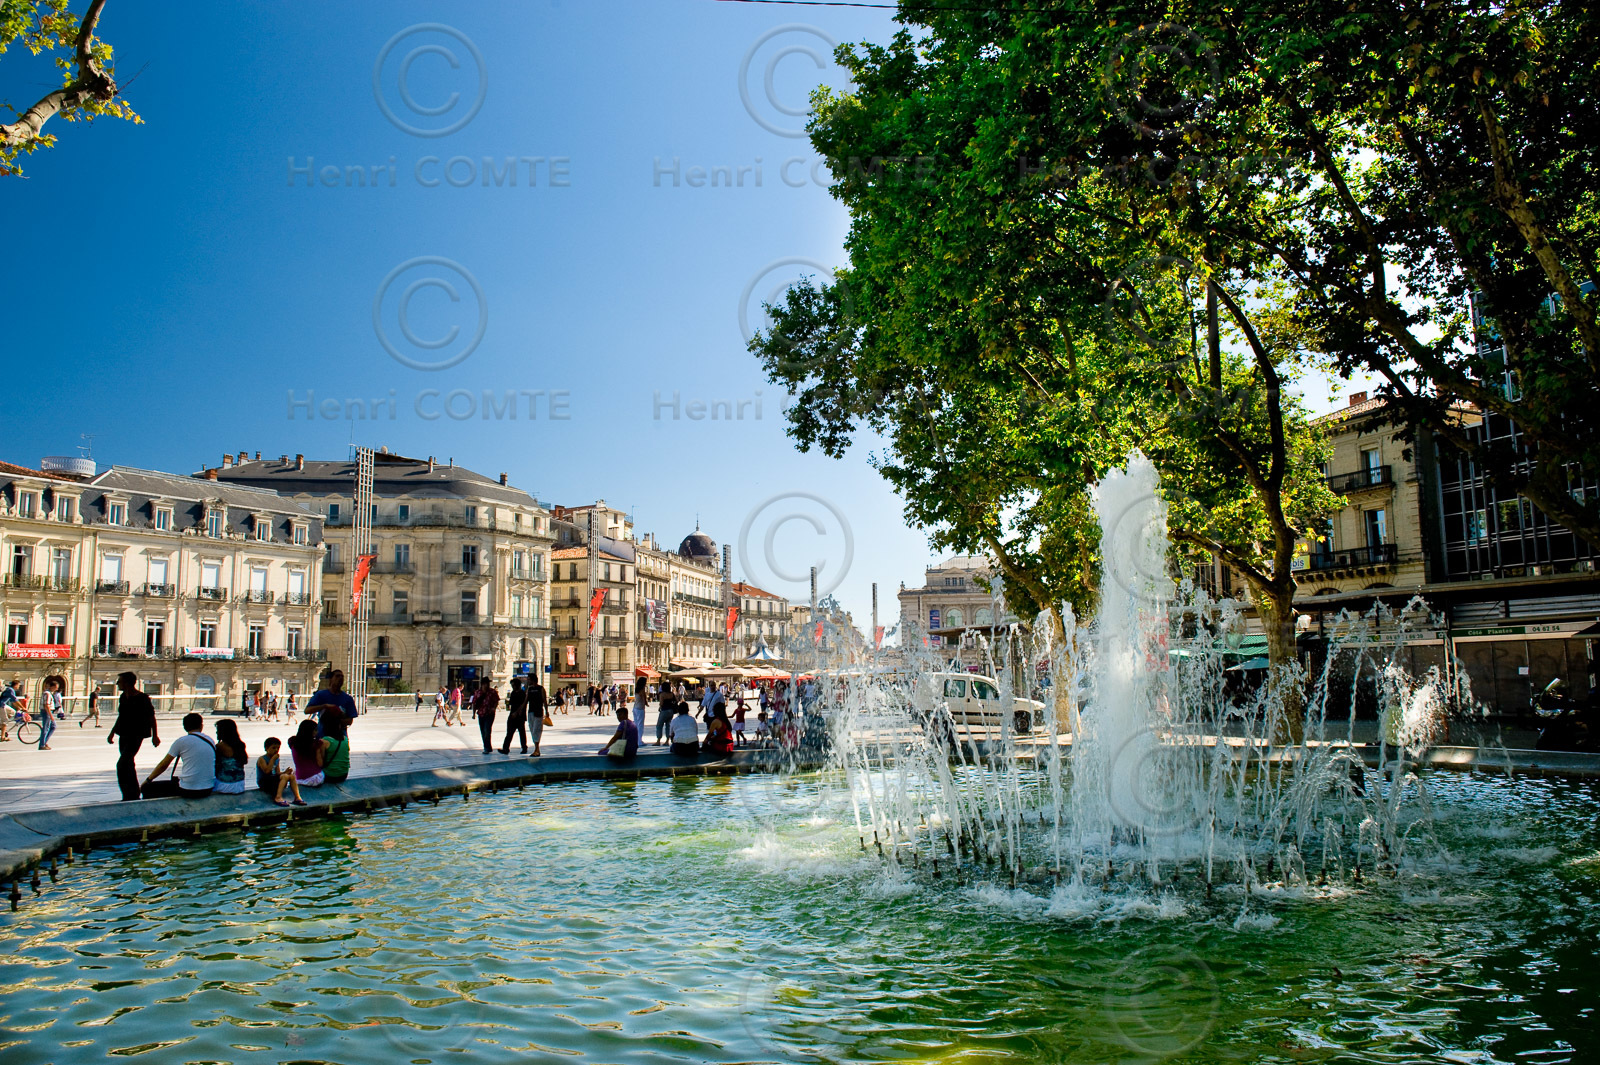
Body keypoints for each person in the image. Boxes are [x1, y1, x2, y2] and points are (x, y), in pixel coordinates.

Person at [108, 672, 160, 801]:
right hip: (123, 734)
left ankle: (130, 793)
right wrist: (112, 732)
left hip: (136, 734)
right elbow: (121, 716)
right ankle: (131, 794)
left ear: (127, 683)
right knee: (128, 764)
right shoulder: (123, 697)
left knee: (122, 764)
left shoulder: (142, 698)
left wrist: (155, 736)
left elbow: (151, 717)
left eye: (119, 681)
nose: (117, 684)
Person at [140, 713, 215, 799]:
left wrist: (148, 780)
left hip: (188, 789)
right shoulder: (210, 740)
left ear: (184, 727)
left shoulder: (181, 742)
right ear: (201, 726)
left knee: (147, 788)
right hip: (208, 788)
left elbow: (163, 765)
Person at [308, 669, 358, 740]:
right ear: (331, 679)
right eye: (337, 676)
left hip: (340, 739)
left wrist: (335, 721)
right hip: (322, 737)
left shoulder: (348, 698)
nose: (340, 678)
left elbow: (350, 721)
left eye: (342, 676)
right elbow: (307, 710)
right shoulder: (321, 695)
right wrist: (324, 706)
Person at [256, 737, 305, 807]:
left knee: (291, 776)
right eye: (273, 748)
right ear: (266, 748)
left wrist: (285, 772)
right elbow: (267, 771)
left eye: (277, 748)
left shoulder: (276, 759)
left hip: (273, 780)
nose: (276, 750)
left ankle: (297, 797)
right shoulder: (262, 759)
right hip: (264, 782)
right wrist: (272, 760)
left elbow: (277, 773)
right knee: (284, 777)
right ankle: (278, 797)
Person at [288, 719, 328, 788]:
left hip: (299, 778)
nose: (317, 732)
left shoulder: (292, 742)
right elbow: (320, 763)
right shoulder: (316, 744)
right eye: (315, 730)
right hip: (314, 778)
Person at [213, 718, 248, 795]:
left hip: (225, 785)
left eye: (218, 730)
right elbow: (245, 761)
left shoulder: (220, 746)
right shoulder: (240, 745)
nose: (216, 732)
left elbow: (215, 765)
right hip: (240, 784)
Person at [473, 681, 500, 753]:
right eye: (485, 684)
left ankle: (486, 747)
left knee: (487, 730)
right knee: (483, 731)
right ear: (482, 684)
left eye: (487, 684)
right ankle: (487, 746)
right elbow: (474, 703)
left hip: (490, 714)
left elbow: (496, 701)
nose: (486, 685)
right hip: (481, 713)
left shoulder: (492, 692)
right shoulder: (478, 692)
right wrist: (473, 714)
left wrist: (494, 708)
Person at [37, 675, 62, 750]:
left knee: (52, 726)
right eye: (56, 687)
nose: (57, 688)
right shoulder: (47, 694)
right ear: (52, 687)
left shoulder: (49, 693)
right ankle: (42, 744)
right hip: (46, 712)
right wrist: (50, 715)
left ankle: (44, 742)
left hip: (47, 711)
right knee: (46, 728)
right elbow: (46, 705)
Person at [631, 676, 649, 744]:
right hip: (640, 708)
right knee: (640, 725)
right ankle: (639, 740)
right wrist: (646, 703)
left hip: (635, 707)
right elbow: (644, 698)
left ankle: (635, 739)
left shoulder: (636, 689)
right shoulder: (642, 689)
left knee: (636, 724)